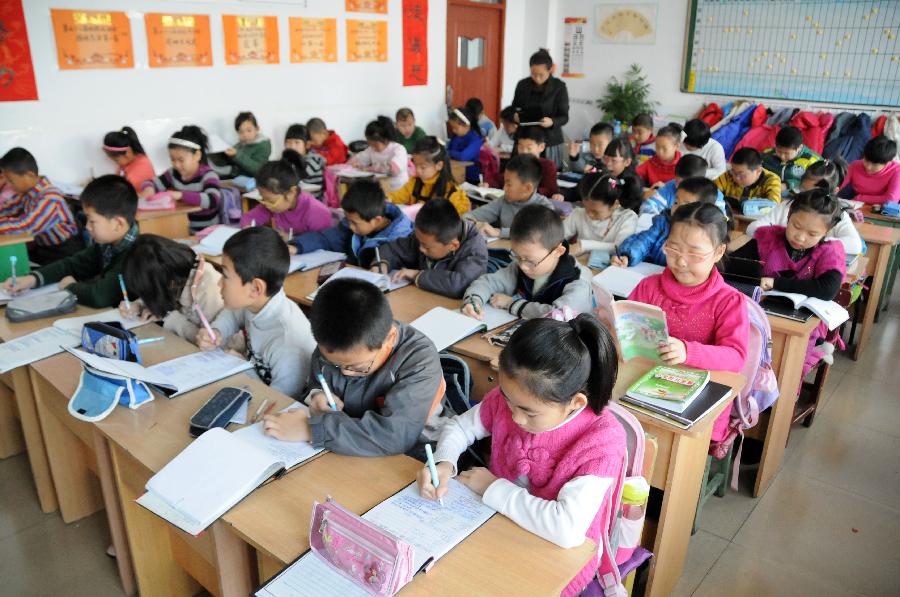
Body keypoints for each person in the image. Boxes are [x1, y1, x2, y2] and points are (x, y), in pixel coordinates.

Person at [418, 313, 625, 597]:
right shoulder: (514, 398)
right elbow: (459, 427)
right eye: (506, 398)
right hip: (499, 522)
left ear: (576, 403)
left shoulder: (601, 440)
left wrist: (492, 487)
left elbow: (566, 529)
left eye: (528, 411)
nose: (514, 416)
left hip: (562, 557)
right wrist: (444, 463)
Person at [261, 278, 447, 458]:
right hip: (345, 444)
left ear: (389, 338)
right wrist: (317, 395)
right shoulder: (334, 340)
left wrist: (312, 429)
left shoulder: (418, 360)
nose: (344, 372)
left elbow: (396, 435)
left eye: (357, 366)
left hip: (412, 454)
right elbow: (317, 381)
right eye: (335, 364)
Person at [732, 189, 846, 378]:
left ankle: (780, 396)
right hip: (758, 314)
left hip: (803, 323)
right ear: (789, 214)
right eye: (796, 226)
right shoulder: (769, 238)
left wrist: (777, 283)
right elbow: (734, 265)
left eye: (812, 233)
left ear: (827, 231)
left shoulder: (830, 252)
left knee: (785, 369)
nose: (800, 237)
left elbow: (827, 290)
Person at [627, 202, 748, 373]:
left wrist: (688, 352)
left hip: (704, 388)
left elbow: (735, 357)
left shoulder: (729, 301)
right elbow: (629, 333)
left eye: (694, 254)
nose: (681, 261)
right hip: (647, 376)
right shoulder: (648, 287)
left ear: (719, 252)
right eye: (674, 249)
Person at [197, 227, 316, 399]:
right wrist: (216, 332)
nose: (219, 284)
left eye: (225, 276)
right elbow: (232, 315)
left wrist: (242, 368)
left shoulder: (288, 343)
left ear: (256, 288)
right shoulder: (256, 303)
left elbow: (278, 401)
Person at [1, 175, 137, 307]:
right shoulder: (106, 244)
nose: (87, 227)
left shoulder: (136, 253)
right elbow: (71, 264)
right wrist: (31, 279)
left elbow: (99, 296)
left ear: (118, 224)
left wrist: (70, 287)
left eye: (92, 221)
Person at [463, 204, 592, 319]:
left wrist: (511, 304)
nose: (523, 266)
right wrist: (474, 300)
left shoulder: (577, 281)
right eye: (517, 256)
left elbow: (557, 316)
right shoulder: (521, 265)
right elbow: (489, 282)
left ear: (558, 251)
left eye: (530, 261)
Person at [373, 198, 487, 298]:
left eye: (426, 247)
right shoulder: (427, 236)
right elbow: (394, 249)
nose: (420, 249)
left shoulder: (474, 249)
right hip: (422, 299)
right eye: (419, 242)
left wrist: (417, 275)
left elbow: (460, 284)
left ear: (453, 245)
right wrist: (381, 264)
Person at [119, 235, 224, 342]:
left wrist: (169, 317)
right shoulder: (172, 275)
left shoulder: (208, 290)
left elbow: (210, 341)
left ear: (169, 284)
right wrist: (139, 304)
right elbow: (159, 288)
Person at [746, 159, 861, 255]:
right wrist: (783, 236)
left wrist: (816, 241)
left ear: (833, 192)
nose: (807, 197)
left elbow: (855, 245)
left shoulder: (836, 214)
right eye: (804, 191)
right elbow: (752, 228)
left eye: (812, 233)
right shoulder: (787, 206)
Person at [290, 179, 413, 267]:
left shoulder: (400, 237)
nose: (350, 226)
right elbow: (326, 238)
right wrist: (297, 247)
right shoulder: (353, 223)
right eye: (348, 220)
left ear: (377, 220)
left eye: (354, 223)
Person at [613, 176, 720, 267]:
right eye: (676, 201)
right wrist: (628, 256)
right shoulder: (663, 221)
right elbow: (645, 240)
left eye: (686, 205)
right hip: (651, 274)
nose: (677, 208)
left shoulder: (704, 236)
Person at [0, 147, 81, 264]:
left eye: (11, 180)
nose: (9, 185)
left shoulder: (50, 198)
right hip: (45, 249)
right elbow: (7, 208)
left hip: (64, 252)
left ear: (29, 175)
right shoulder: (26, 192)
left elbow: (26, 225)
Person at [140, 125, 223, 233]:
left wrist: (179, 195)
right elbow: (150, 182)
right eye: (173, 159)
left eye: (181, 160)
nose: (177, 165)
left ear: (197, 155)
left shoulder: (208, 175)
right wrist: (149, 189)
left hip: (208, 232)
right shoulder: (173, 174)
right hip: (182, 227)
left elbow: (213, 200)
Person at [240, 151, 333, 237]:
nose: (266, 205)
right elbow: (249, 217)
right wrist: (248, 227)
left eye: (270, 201)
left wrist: (292, 239)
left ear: (292, 192)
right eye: (263, 199)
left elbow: (323, 243)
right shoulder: (272, 204)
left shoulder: (316, 212)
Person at [463, 154, 555, 239]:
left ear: (527, 188)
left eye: (509, 184)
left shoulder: (545, 208)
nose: (504, 188)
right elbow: (470, 216)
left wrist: (499, 232)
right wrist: (473, 222)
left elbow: (536, 233)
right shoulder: (504, 201)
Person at [512, 48, 570, 168]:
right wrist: (515, 116)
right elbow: (514, 107)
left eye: (541, 75)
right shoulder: (522, 85)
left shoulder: (559, 87)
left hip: (549, 140)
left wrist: (552, 122)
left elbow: (564, 116)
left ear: (550, 70)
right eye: (533, 74)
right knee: (520, 173)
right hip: (525, 139)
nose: (537, 78)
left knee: (547, 174)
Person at [388, 136, 470, 215]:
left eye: (423, 167)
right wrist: (387, 199)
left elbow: (459, 219)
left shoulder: (452, 192)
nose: (417, 170)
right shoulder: (413, 182)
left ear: (439, 165)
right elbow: (396, 196)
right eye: (415, 165)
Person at [564, 173, 640, 256]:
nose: (589, 214)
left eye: (595, 211)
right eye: (585, 207)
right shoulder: (578, 213)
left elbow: (619, 247)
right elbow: (556, 236)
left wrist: (583, 246)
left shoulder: (628, 218)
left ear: (615, 204)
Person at [640, 154, 727, 221]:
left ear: (700, 181)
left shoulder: (713, 194)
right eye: (677, 181)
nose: (678, 186)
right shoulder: (671, 186)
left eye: (682, 183)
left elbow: (719, 219)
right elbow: (649, 205)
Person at [349, 116, 410, 191]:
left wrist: (368, 169)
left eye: (375, 145)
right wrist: (352, 164)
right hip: (381, 189)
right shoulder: (371, 150)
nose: (373, 148)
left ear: (385, 139)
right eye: (370, 144)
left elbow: (393, 169)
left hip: (400, 190)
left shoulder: (398, 149)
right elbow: (358, 159)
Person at [715, 147, 782, 213]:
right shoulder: (728, 176)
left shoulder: (771, 180)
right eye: (734, 172)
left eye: (741, 175)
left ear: (758, 171)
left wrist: (740, 201)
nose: (736, 178)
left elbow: (773, 206)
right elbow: (710, 193)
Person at [838, 135, 900, 204]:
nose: (868, 167)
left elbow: (891, 199)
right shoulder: (855, 166)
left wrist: (859, 198)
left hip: (883, 212)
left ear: (888, 163)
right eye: (866, 160)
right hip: (860, 207)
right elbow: (837, 185)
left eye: (875, 165)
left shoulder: (897, 171)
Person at [761, 126, 822, 195]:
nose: (782, 156)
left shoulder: (813, 160)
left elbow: (816, 183)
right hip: (773, 188)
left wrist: (788, 185)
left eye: (787, 153)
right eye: (779, 151)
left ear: (799, 148)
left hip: (799, 195)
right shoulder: (769, 153)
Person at [212, 111, 272, 179]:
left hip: (250, 178)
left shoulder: (263, 146)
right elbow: (235, 152)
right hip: (235, 171)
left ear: (257, 128)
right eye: (241, 132)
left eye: (249, 130)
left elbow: (257, 169)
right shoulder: (243, 142)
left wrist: (236, 154)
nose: (245, 135)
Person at [102, 126, 155, 192]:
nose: (116, 163)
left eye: (116, 160)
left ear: (128, 152)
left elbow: (127, 193)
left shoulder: (141, 168)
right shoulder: (128, 162)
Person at [515, 125, 561, 200]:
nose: (524, 152)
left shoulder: (548, 165)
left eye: (529, 148)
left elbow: (550, 190)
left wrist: (528, 191)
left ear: (541, 147)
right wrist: (489, 183)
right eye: (520, 147)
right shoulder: (516, 162)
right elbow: (502, 179)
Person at [283, 124, 327, 197]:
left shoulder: (314, 159)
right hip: (296, 198)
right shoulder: (289, 159)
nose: (292, 146)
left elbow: (298, 176)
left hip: (313, 200)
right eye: (288, 142)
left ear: (307, 144)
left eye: (297, 142)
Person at [636, 124, 683, 191]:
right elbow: (637, 173)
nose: (660, 152)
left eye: (664, 148)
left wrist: (666, 188)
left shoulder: (683, 166)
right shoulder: (653, 161)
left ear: (676, 146)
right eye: (657, 147)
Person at [447, 106, 483, 184]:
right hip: (456, 172)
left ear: (467, 125)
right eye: (452, 128)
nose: (453, 130)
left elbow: (463, 156)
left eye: (456, 128)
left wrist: (450, 153)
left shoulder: (476, 139)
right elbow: (447, 149)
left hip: (471, 178)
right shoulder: (456, 136)